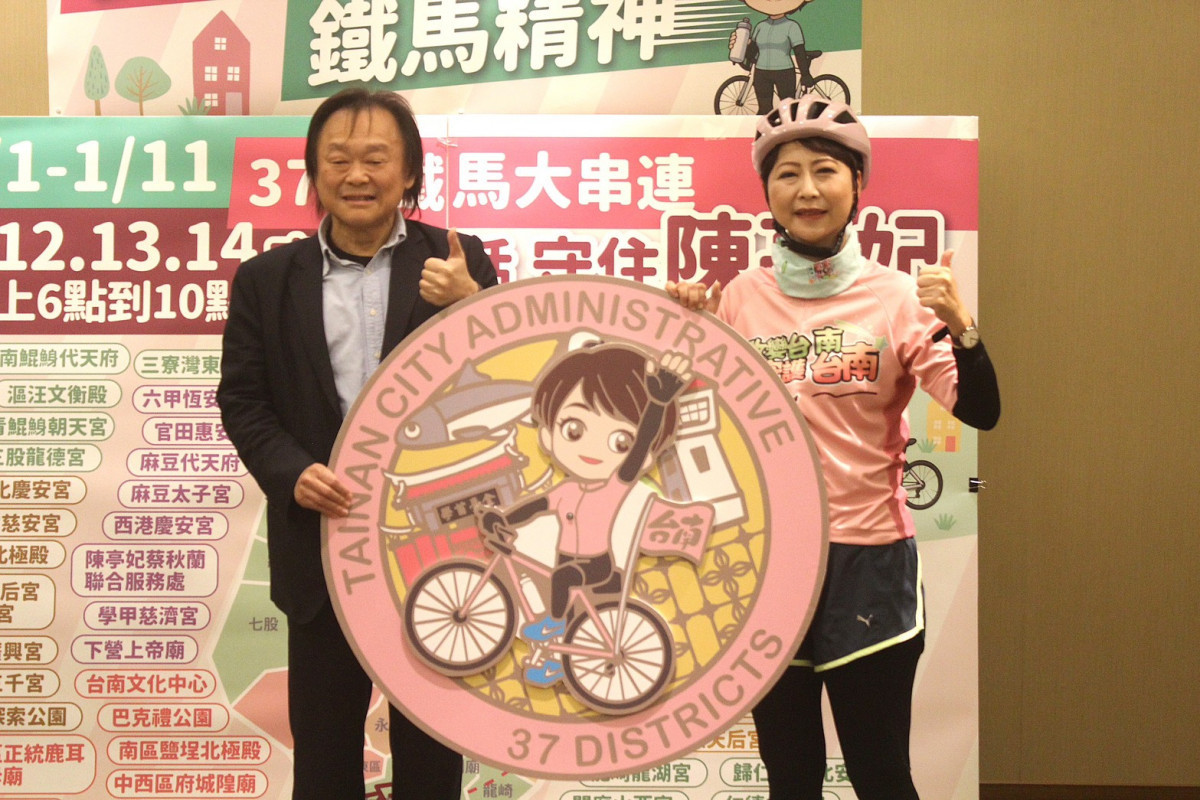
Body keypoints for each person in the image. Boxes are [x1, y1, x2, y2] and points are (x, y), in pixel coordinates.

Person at [667, 95, 1000, 799]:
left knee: (881, 776)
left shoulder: (897, 296)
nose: (807, 190)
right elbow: (690, 423)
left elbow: (982, 410)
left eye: (825, 170)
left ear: (858, 184)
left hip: (867, 561)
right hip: (766, 558)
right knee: (790, 777)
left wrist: (961, 325)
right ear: (767, 192)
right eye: (787, 174)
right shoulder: (740, 298)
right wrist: (680, 332)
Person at [218, 88, 498, 800]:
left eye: (376, 158)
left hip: (438, 544)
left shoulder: (457, 260)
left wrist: (472, 305)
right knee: (323, 758)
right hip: (322, 544)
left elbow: (509, 383)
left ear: (410, 172)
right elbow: (244, 401)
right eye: (337, 159)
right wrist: (292, 471)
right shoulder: (266, 280)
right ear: (314, 173)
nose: (357, 175)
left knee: (432, 760)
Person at [475, 345, 691, 686]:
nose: (590, 450)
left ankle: (553, 624)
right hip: (568, 562)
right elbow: (535, 507)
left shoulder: (615, 485)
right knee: (559, 594)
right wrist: (503, 519)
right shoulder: (567, 490)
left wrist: (658, 404)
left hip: (597, 566)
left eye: (619, 441)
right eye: (574, 430)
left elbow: (641, 445)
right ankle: (556, 659)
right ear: (548, 435)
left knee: (561, 581)